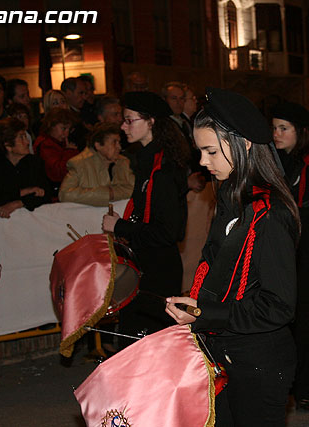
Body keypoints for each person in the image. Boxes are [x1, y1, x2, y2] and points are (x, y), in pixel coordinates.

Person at [165, 87, 300, 426]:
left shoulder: (270, 212)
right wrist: (194, 303)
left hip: (257, 361)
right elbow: (214, 264)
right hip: (224, 349)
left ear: (244, 143)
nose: (202, 161)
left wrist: (206, 313)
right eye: (200, 151)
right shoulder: (229, 194)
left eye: (210, 150)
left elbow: (278, 306)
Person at [101, 91, 189, 348]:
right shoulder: (148, 159)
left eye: (129, 120)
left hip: (158, 270)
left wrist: (119, 226)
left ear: (150, 122)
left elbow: (168, 231)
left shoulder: (164, 167)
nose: (123, 126)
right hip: (146, 263)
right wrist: (123, 223)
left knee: (150, 347)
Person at [272, 102, 309, 411]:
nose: (277, 134)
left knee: (308, 325)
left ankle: (308, 386)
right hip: (277, 255)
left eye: (284, 128)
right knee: (279, 324)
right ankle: (283, 384)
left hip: (308, 257)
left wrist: (291, 212)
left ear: (300, 132)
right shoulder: (269, 162)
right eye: (275, 128)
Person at [0, 117, 51, 217]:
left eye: (25, 137)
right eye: (21, 138)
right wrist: (26, 191)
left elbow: (45, 194)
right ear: (8, 145)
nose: (27, 142)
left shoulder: (35, 163)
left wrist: (18, 203)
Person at [59, 122, 134, 206]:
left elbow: (134, 190)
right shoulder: (80, 163)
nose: (119, 147)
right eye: (114, 142)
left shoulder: (123, 162)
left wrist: (112, 193)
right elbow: (65, 194)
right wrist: (107, 194)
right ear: (98, 145)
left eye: (119, 142)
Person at [33, 108, 80, 190]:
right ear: (51, 126)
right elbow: (57, 174)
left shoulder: (58, 142)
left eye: (69, 130)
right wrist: (70, 152)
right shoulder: (46, 145)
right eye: (63, 128)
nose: (66, 134)